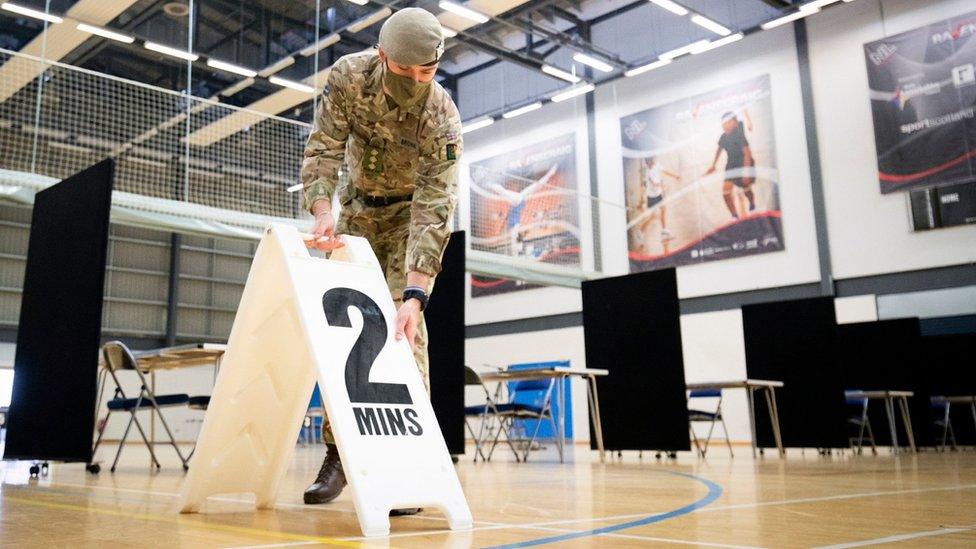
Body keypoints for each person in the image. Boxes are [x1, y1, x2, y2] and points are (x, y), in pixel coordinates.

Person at [299, 7, 461, 516]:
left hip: (408, 220)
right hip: (354, 214)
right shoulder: (350, 76)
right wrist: (323, 211)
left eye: (427, 71)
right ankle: (338, 453)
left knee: (404, 334)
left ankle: (406, 463)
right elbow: (324, 147)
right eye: (405, 70)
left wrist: (414, 295)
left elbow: (435, 208)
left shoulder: (441, 115)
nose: (416, 81)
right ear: (382, 55)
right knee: (341, 330)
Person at [705, 110, 755, 219]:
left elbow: (747, 154)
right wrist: (713, 165)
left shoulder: (739, 135)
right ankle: (734, 215)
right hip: (731, 164)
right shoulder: (723, 137)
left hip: (743, 163)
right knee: (726, 192)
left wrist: (746, 172)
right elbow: (719, 149)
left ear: (734, 123)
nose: (724, 126)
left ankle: (752, 204)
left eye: (727, 123)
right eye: (723, 124)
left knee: (746, 188)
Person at [636, 157, 680, 250]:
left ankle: (664, 232)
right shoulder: (648, 173)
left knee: (663, 209)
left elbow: (665, 171)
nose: (651, 162)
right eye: (649, 161)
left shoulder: (657, 166)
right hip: (652, 197)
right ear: (647, 163)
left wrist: (675, 176)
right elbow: (655, 184)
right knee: (651, 217)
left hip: (658, 194)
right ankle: (640, 232)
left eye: (652, 160)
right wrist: (664, 186)